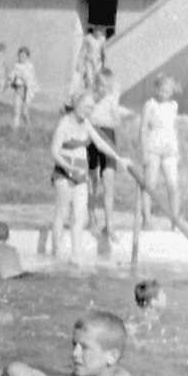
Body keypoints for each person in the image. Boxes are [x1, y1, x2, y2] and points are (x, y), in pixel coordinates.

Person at [138, 74, 188, 225]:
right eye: (161, 90)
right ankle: (146, 218)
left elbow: (174, 128)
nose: (164, 94)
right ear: (156, 89)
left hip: (170, 147)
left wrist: (178, 150)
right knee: (150, 184)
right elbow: (143, 128)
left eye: (167, 91)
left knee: (173, 184)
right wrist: (143, 151)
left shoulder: (173, 105)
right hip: (153, 146)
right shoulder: (150, 104)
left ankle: (175, 219)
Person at [49, 94, 92, 264]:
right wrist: (68, 168)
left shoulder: (86, 123)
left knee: (80, 215)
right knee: (63, 213)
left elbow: (100, 143)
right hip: (64, 173)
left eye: (91, 108)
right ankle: (57, 252)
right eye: (85, 106)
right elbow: (54, 151)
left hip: (81, 174)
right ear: (76, 105)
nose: (88, 111)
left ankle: (76, 254)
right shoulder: (64, 123)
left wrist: (119, 158)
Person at [86, 66, 127, 240]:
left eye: (106, 86)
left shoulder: (111, 100)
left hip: (108, 139)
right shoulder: (89, 98)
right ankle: (92, 218)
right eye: (99, 85)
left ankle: (109, 224)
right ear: (95, 84)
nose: (102, 89)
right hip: (91, 139)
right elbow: (84, 118)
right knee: (92, 179)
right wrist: (96, 120)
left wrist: (100, 120)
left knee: (109, 179)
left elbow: (117, 123)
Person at [8, 46, 37, 129]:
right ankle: (15, 128)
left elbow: (31, 80)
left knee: (25, 111)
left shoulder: (30, 66)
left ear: (27, 57)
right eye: (20, 56)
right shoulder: (17, 66)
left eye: (23, 56)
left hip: (26, 90)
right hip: (18, 89)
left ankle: (29, 126)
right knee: (16, 111)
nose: (21, 58)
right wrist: (11, 80)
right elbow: (12, 76)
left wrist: (24, 80)